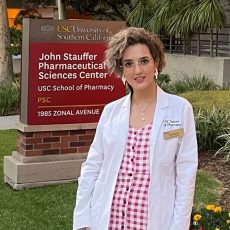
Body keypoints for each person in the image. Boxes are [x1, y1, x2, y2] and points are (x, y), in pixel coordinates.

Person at [73, 27, 198, 230]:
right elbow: (92, 168)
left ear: (156, 62)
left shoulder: (180, 109)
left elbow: (186, 174)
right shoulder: (110, 112)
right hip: (107, 220)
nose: (137, 70)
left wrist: (179, 226)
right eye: (129, 64)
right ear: (122, 69)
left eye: (143, 61)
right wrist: (82, 220)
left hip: (155, 221)